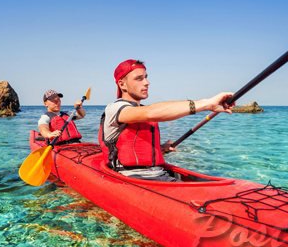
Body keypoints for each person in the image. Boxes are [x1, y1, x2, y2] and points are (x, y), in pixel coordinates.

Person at [99, 59, 233, 182]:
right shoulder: (115, 109)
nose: (147, 82)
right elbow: (150, 113)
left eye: (146, 77)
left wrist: (161, 148)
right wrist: (206, 104)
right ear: (122, 84)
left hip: (158, 174)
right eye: (139, 79)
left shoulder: (142, 110)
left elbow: (139, 147)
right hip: (131, 177)